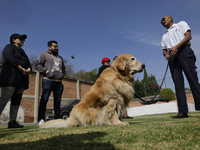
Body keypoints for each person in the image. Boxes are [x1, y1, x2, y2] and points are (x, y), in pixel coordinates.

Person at [161, 15, 200, 118]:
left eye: (164, 19)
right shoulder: (164, 36)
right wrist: (166, 55)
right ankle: (182, 111)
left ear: (171, 18)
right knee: (178, 84)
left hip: (184, 51)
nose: (162, 21)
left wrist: (176, 47)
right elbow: (164, 50)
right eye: (161, 21)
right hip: (172, 57)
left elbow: (188, 37)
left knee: (193, 79)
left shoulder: (181, 24)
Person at [0, 33, 32, 128]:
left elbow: (29, 64)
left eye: (23, 39)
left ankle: (12, 122)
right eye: (21, 39)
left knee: (16, 101)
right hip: (10, 78)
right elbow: (10, 59)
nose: (23, 41)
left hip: (21, 80)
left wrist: (28, 70)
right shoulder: (8, 47)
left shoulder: (23, 52)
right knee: (4, 99)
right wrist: (21, 68)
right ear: (14, 40)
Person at [36, 40, 66, 125]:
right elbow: (38, 65)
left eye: (57, 46)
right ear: (49, 47)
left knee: (58, 101)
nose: (57, 48)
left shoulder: (60, 58)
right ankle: (41, 119)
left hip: (58, 82)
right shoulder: (43, 55)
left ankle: (57, 118)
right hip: (48, 81)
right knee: (44, 99)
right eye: (55, 46)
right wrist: (46, 72)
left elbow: (63, 68)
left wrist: (62, 75)